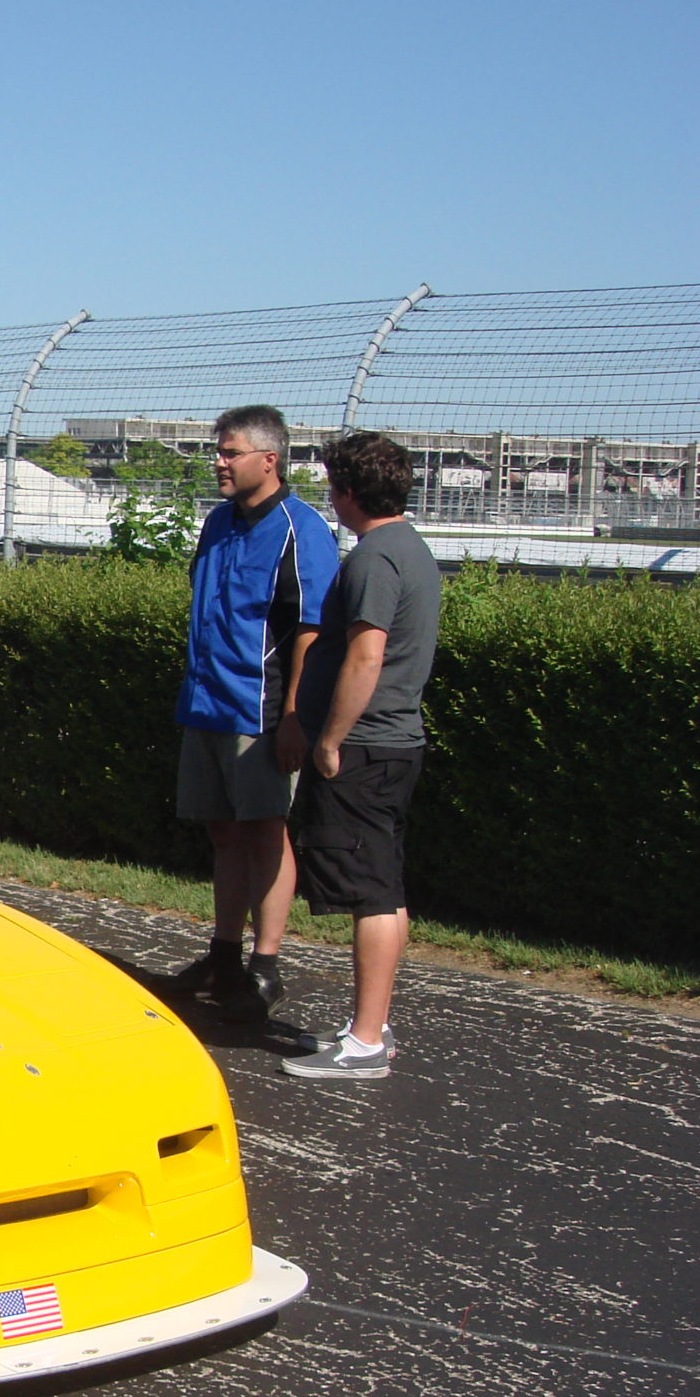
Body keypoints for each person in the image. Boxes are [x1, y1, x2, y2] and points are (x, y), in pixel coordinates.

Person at [169, 405, 340, 1018]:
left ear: (269, 460)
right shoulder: (217, 523)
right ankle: (223, 953)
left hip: (260, 711)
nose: (218, 460)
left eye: (229, 451)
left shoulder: (302, 529)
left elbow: (312, 630)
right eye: (217, 450)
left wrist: (294, 716)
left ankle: (265, 966)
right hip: (206, 703)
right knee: (223, 831)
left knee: (266, 829)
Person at [282, 432, 441, 1080]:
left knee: (371, 893)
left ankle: (366, 1044)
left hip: (368, 745)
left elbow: (365, 653)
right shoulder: (412, 549)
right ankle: (370, 1025)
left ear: (347, 490)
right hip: (395, 742)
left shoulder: (376, 557)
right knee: (387, 886)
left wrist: (328, 738)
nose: (330, 496)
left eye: (331, 485)